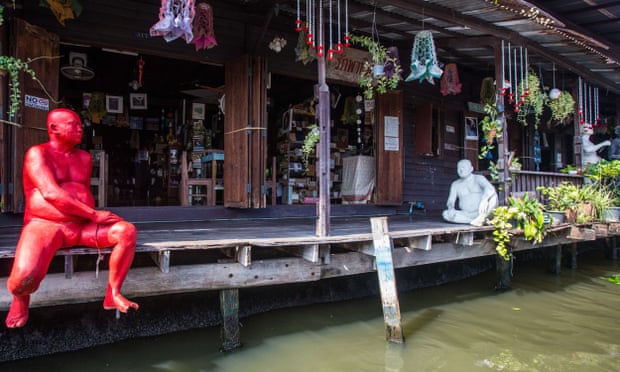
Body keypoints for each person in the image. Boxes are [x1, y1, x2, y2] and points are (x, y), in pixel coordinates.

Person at [5, 108, 139, 328]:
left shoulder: (85, 157)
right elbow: (51, 193)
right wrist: (94, 214)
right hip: (45, 225)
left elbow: (81, 191)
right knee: (22, 279)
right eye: (73, 124)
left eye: (80, 124)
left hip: (82, 225)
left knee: (126, 231)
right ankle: (20, 299)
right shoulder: (37, 153)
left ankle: (112, 294)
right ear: (54, 128)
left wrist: (90, 217)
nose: (80, 128)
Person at [442, 159, 498, 226]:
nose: (461, 170)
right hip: (466, 214)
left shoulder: (478, 178)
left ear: (471, 169)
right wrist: (451, 208)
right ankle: (474, 221)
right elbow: (450, 201)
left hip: (481, 212)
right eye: (459, 168)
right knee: (446, 214)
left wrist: (484, 200)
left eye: (464, 167)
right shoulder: (455, 184)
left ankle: (482, 218)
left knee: (493, 196)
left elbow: (490, 188)